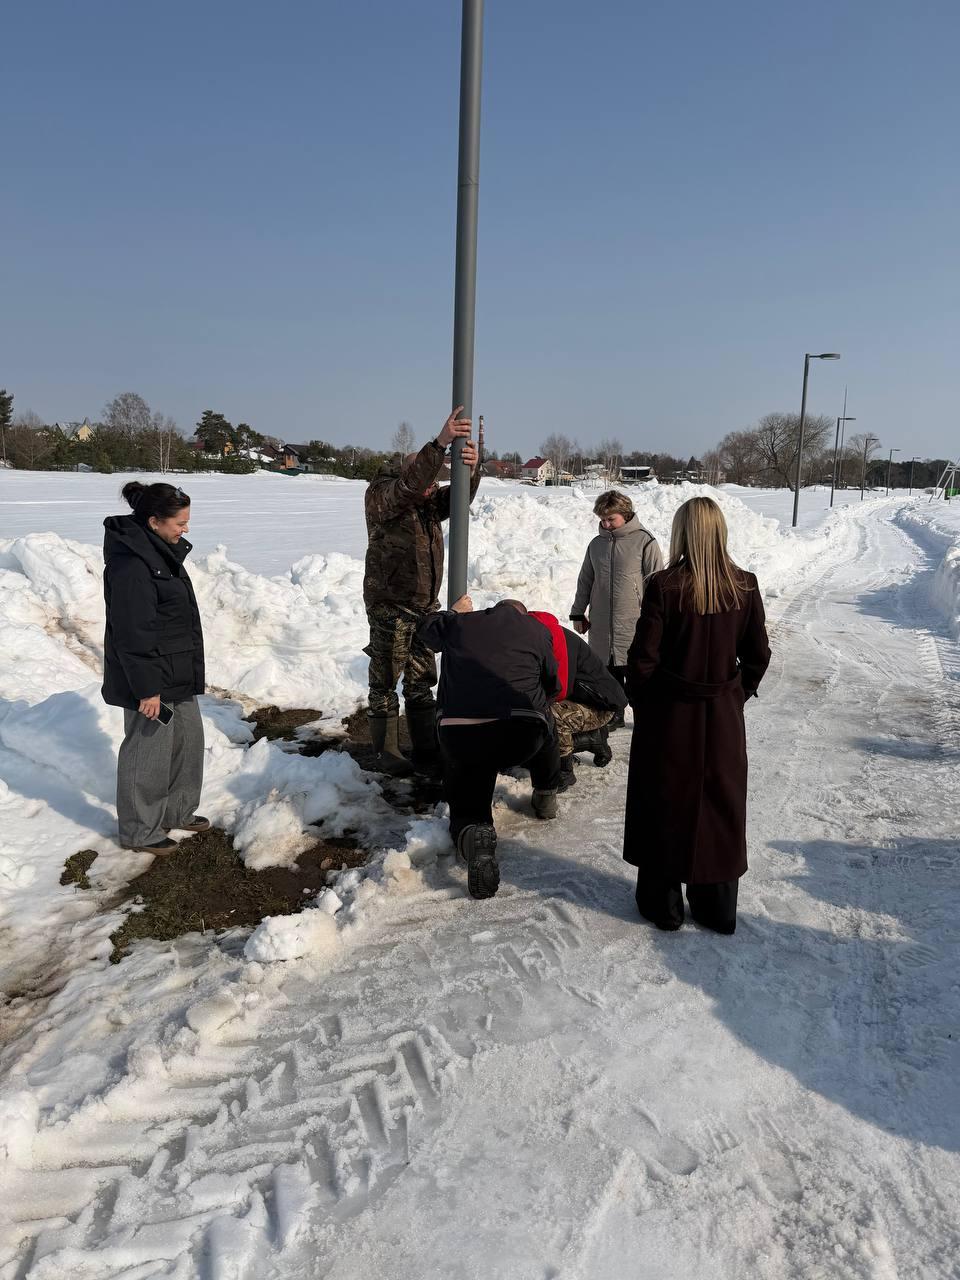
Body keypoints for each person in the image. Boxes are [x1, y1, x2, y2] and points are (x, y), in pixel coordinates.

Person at [622, 496, 771, 935]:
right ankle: (715, 906)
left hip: (671, 716)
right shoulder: (744, 585)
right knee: (720, 804)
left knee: (665, 802)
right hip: (722, 718)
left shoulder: (665, 586)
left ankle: (663, 905)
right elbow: (758, 655)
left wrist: (647, 705)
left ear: (682, 532)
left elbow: (643, 659)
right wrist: (733, 695)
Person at [417, 597, 562, 900]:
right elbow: (553, 684)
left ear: (493, 609)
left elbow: (425, 631)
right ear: (523, 612)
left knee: (469, 772)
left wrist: (454, 613)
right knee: (547, 720)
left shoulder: (462, 623)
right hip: (521, 734)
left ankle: (472, 833)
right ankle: (546, 795)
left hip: (462, 733)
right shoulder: (537, 630)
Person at [363, 407, 481, 776]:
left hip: (423, 605)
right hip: (390, 605)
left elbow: (457, 500)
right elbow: (410, 487)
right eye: (428, 479)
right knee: (385, 679)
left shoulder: (426, 501)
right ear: (410, 471)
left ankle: (426, 747)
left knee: (420, 679)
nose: (433, 487)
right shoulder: (383, 495)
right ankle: (385, 750)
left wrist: (471, 471)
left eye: (436, 482)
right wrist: (442, 442)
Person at [102, 482, 208, 855]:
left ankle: (176, 812)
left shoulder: (162, 552)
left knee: (188, 743)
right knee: (146, 754)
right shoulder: (132, 563)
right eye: (180, 522)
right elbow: (132, 632)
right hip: (150, 678)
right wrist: (147, 689)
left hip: (175, 669)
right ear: (153, 521)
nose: (186, 529)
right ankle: (139, 830)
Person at [569, 490, 663, 729]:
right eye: (602, 519)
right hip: (601, 622)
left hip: (634, 621)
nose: (606, 524)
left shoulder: (644, 541)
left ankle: (645, 712)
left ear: (626, 514)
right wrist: (578, 612)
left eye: (611, 519)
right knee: (606, 673)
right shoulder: (596, 544)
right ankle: (615, 713)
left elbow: (657, 583)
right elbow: (585, 580)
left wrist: (658, 618)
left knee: (636, 670)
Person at [528, 609, 627, 790]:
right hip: (581, 700)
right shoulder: (540, 636)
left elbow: (560, 691)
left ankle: (565, 772)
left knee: (552, 715)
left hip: (601, 706)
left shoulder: (556, 639)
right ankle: (587, 740)